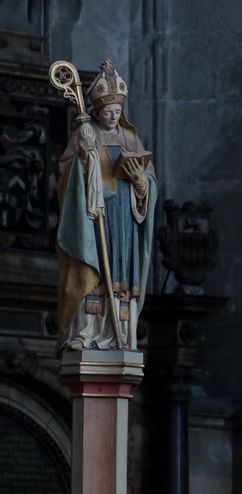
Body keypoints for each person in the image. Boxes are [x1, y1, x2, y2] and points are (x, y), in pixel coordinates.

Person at [56, 60, 157, 350]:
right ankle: (86, 332)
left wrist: (141, 183)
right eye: (108, 112)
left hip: (123, 217)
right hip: (94, 214)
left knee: (120, 275)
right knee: (92, 268)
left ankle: (120, 333)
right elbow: (63, 176)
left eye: (117, 112)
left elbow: (150, 181)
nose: (113, 117)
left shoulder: (130, 138)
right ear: (97, 112)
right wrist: (84, 160)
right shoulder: (85, 136)